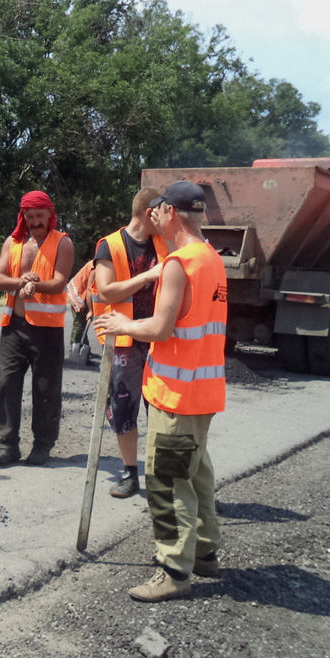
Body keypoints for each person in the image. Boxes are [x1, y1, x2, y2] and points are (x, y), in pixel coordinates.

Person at [94, 180, 227, 602]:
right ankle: (204, 554)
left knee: (168, 482)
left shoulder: (179, 264)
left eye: (161, 213)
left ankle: (174, 570)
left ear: (170, 212)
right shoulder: (211, 260)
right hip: (204, 393)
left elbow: (160, 327)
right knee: (197, 474)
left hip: (176, 394)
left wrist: (122, 326)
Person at [89, 187, 168, 499]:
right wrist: (149, 276)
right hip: (123, 342)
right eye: (162, 211)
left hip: (158, 338)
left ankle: (159, 475)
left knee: (159, 407)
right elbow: (106, 292)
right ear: (150, 212)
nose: (167, 217)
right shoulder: (109, 246)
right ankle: (129, 472)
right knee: (123, 408)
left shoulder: (164, 243)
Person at [0, 190, 76, 466]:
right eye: (30, 217)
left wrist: (34, 286)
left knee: (46, 389)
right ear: (23, 217)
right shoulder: (14, 243)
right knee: (6, 384)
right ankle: (8, 445)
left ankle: (42, 445)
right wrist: (20, 282)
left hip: (47, 329)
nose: (36, 221)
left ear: (51, 214)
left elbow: (60, 282)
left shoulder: (63, 243)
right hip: (14, 327)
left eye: (40, 216)